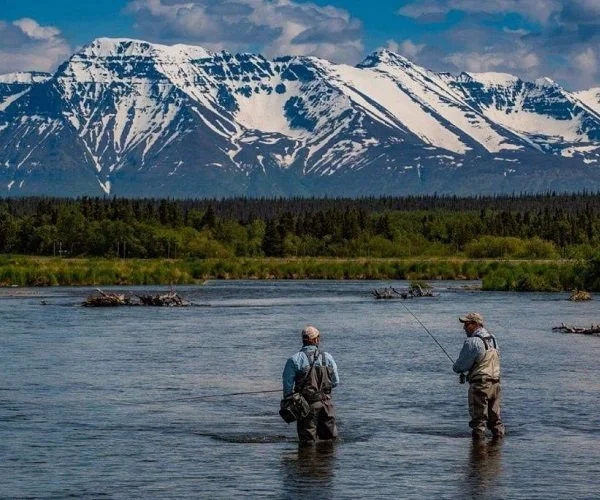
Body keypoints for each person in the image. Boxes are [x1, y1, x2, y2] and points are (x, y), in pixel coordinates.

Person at [282, 325, 339, 443]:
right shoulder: (327, 357)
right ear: (316, 339)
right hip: (327, 406)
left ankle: (306, 461)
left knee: (307, 444)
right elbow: (335, 382)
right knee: (329, 442)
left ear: (303, 340)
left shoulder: (294, 360)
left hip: (306, 407)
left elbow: (287, 389)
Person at [453, 312, 505, 440]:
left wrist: (456, 368)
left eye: (466, 324)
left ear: (475, 324)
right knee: (496, 421)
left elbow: (460, 366)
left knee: (478, 422)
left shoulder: (473, 342)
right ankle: (496, 454)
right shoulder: (493, 339)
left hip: (480, 385)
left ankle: (478, 455)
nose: (464, 327)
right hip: (496, 384)